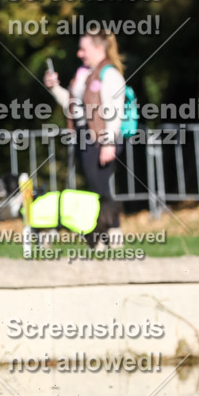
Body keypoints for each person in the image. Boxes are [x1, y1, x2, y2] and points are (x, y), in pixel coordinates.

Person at [44, 30, 126, 247]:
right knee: (95, 190)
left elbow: (115, 112)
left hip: (100, 139)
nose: (80, 53)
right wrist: (54, 88)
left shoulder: (110, 75)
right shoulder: (83, 74)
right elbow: (73, 106)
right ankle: (103, 237)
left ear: (99, 49)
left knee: (101, 190)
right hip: (84, 137)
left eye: (84, 49)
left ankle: (112, 235)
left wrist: (108, 143)